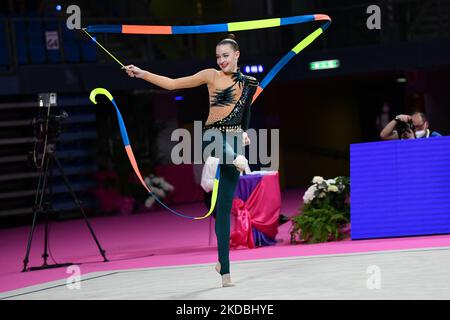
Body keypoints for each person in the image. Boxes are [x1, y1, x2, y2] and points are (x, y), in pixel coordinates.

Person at [123, 34, 258, 287]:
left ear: (237, 55)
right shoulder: (211, 75)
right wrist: (143, 74)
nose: (221, 61)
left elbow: (246, 113)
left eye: (225, 56)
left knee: (223, 209)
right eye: (218, 57)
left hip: (235, 141)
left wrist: (243, 133)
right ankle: (235, 157)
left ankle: (224, 269)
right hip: (212, 136)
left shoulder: (250, 82)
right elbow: (174, 84)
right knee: (225, 150)